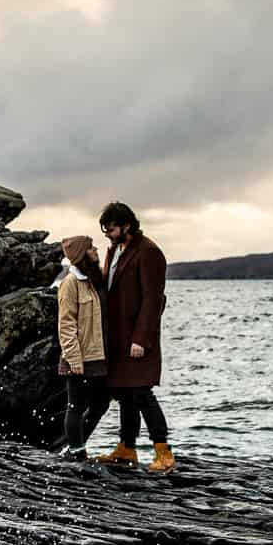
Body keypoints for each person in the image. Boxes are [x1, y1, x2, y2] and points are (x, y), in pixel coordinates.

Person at [93, 201, 175, 474]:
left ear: (126, 225)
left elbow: (153, 300)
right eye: (105, 230)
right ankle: (127, 448)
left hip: (138, 339)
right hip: (117, 339)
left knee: (142, 392)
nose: (108, 234)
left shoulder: (149, 252)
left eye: (111, 228)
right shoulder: (114, 250)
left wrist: (141, 339)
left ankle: (163, 451)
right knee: (124, 394)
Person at [54, 234, 111, 459]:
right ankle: (77, 451)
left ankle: (75, 445)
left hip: (98, 355)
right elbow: (66, 324)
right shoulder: (70, 283)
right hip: (78, 355)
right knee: (75, 405)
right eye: (91, 248)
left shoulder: (95, 279)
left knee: (100, 404)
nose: (96, 250)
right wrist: (74, 358)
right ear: (81, 254)